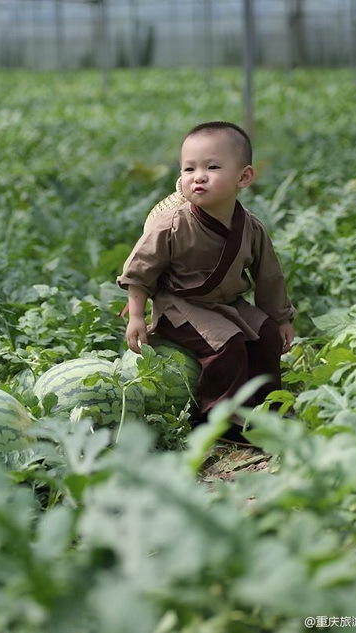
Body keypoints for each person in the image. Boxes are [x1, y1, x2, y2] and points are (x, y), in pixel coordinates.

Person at [117, 121, 295, 443]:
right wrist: (136, 316)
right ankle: (219, 419)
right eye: (188, 169)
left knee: (266, 334)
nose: (198, 176)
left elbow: (269, 276)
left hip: (226, 304)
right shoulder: (170, 225)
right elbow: (139, 272)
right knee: (228, 344)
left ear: (244, 177)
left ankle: (267, 406)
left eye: (212, 167)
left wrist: (280, 318)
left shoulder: (250, 228)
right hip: (180, 308)